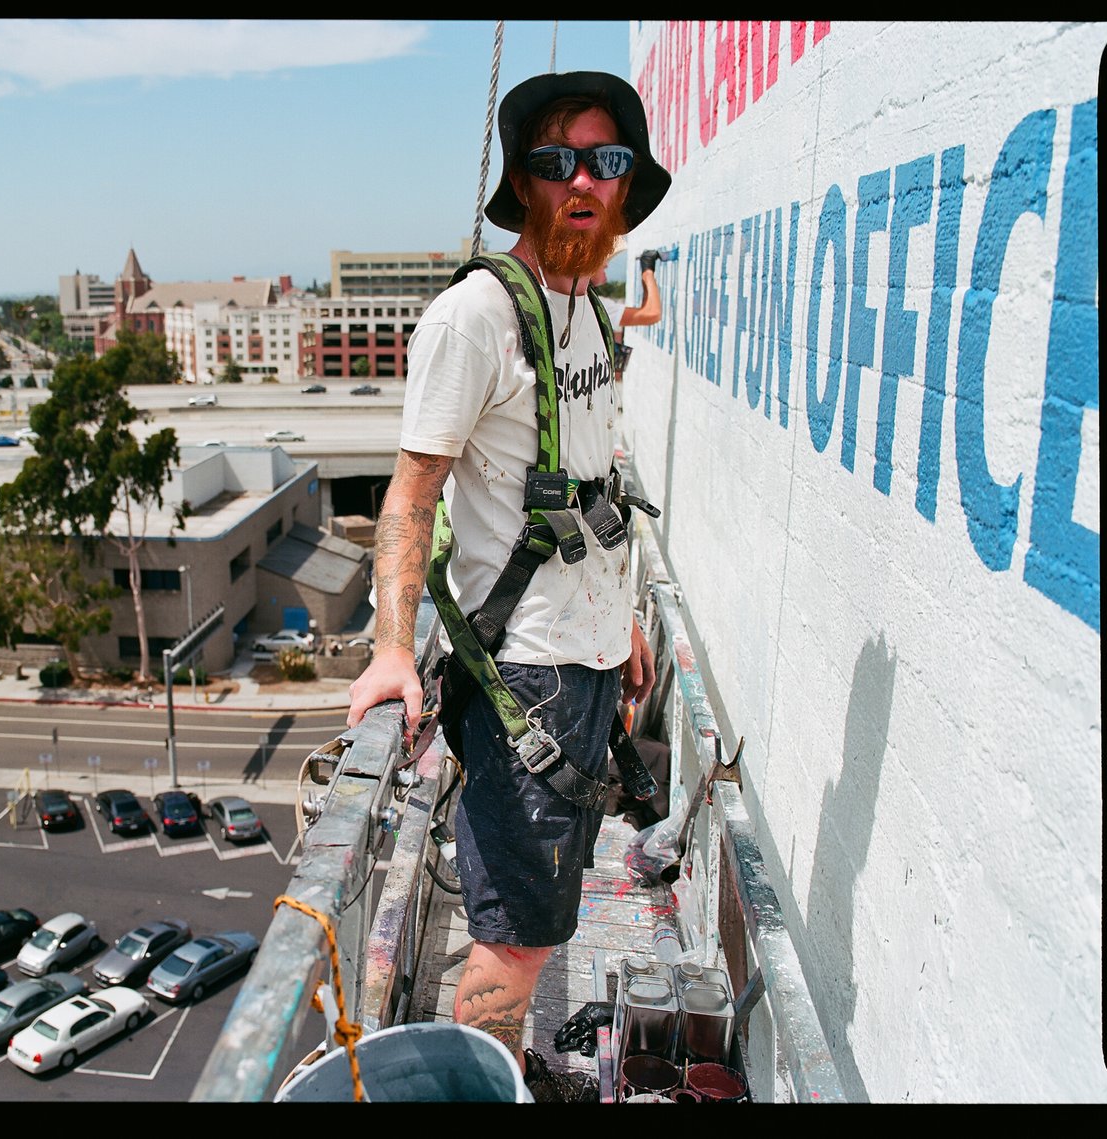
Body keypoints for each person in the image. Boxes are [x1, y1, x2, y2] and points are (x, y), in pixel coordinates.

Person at [346, 69, 670, 1103]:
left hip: (582, 664)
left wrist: (621, 626)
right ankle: (477, 1090)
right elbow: (409, 495)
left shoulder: (581, 305)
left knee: (539, 920)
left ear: (626, 185)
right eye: (555, 160)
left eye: (605, 160)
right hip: (521, 676)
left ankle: (508, 1068)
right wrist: (393, 649)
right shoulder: (473, 318)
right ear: (523, 186)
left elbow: (591, 482)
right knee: (513, 943)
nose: (582, 179)